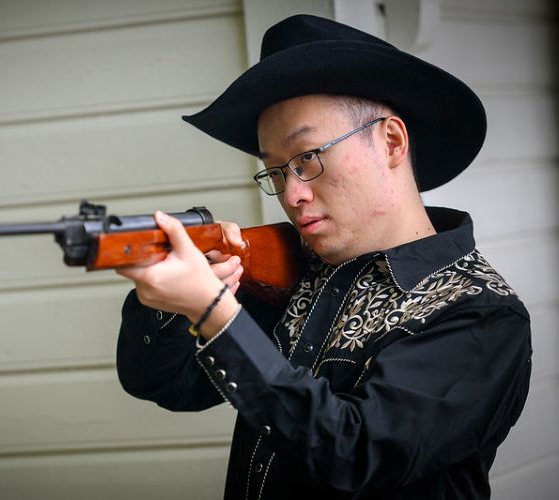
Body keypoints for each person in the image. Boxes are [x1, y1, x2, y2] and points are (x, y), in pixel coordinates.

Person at [114, 14, 531, 499]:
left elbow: (354, 455)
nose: (291, 195)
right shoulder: (291, 271)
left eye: (307, 157)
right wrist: (174, 296)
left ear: (391, 141)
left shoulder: (481, 313)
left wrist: (214, 313)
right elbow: (164, 383)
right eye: (275, 172)